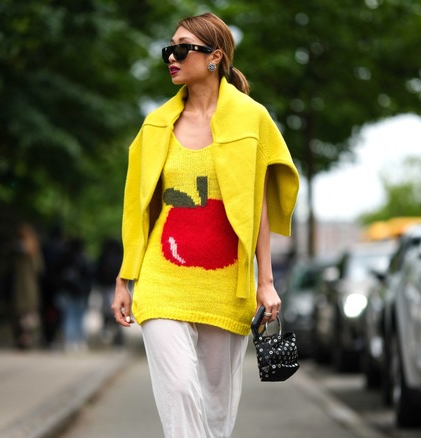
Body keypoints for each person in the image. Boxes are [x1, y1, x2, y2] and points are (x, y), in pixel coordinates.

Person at [111, 12, 300, 438]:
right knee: (178, 388)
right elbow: (137, 209)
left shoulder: (252, 120)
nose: (171, 58)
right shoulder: (156, 125)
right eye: (168, 50)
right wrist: (125, 279)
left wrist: (265, 281)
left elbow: (260, 209)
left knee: (217, 405)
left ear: (215, 56)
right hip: (162, 278)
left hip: (225, 280)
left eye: (182, 48)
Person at [10, 222, 45, 350]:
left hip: (20, 288)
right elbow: (39, 269)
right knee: (28, 315)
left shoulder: (14, 250)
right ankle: (26, 338)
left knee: (20, 315)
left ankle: (22, 338)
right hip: (29, 288)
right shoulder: (33, 250)